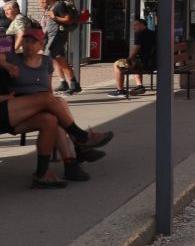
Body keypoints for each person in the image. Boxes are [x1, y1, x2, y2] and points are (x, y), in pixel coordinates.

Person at [0, 27, 112, 187]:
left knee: (51, 118)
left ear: (41, 45)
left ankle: (44, 173)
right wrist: (6, 65)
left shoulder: (45, 61)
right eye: (26, 41)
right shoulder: (12, 58)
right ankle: (81, 139)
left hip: (24, 110)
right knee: (50, 100)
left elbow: (48, 89)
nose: (29, 45)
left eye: (33, 42)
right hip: (11, 107)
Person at [38, 0, 78, 94]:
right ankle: (74, 85)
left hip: (56, 36)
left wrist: (54, 17)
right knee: (62, 61)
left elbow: (68, 19)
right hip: (52, 36)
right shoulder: (52, 6)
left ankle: (46, 89)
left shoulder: (59, 5)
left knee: (46, 60)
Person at [108, 18, 154, 98]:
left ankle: (120, 90)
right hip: (153, 62)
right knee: (135, 62)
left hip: (144, 63)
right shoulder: (154, 33)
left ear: (143, 25)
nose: (134, 27)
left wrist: (128, 59)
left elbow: (135, 50)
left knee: (117, 64)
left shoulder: (140, 34)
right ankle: (139, 86)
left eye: (136, 25)